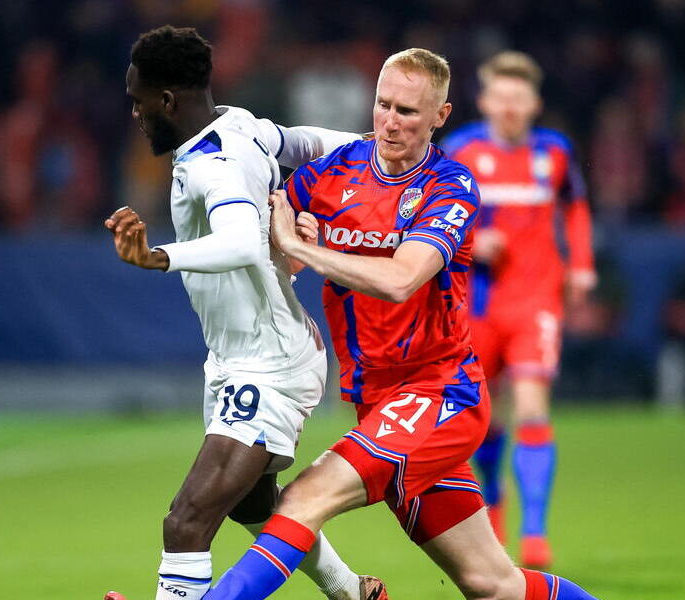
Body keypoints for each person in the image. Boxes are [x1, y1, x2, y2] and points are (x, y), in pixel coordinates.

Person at [200, 48, 596, 600]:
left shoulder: (450, 185)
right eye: (383, 104)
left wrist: (302, 247)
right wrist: (279, 242)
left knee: (303, 499)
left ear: (440, 116)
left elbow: (401, 278)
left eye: (407, 111)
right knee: (493, 585)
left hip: (439, 393)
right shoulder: (331, 173)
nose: (389, 121)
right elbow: (270, 244)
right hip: (376, 400)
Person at [102, 25, 385, 600]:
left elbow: (239, 243)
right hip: (243, 356)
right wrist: (375, 149)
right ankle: (351, 591)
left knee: (187, 521)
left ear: (166, 100)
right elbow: (305, 141)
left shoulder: (212, 166)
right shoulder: (240, 124)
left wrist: (157, 256)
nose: (134, 113)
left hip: (268, 365)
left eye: (137, 100)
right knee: (251, 505)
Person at [439, 51, 597, 567]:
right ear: (485, 101)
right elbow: (433, 215)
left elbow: (576, 206)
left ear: (534, 103)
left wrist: (581, 265)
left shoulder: (554, 152)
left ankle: (534, 533)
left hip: (535, 300)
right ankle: (494, 498)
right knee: (483, 419)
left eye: (518, 97)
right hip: (475, 304)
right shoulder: (460, 150)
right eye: (500, 97)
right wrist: (472, 240)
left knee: (531, 407)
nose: (509, 107)